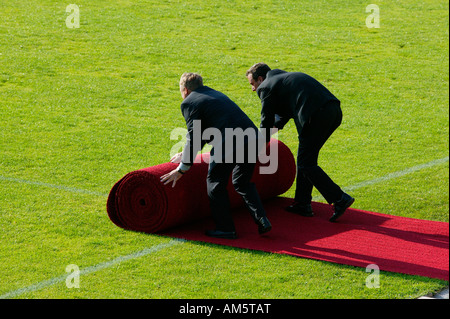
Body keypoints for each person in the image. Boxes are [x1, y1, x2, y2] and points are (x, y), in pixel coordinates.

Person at [161, 72, 271, 238]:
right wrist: (185, 154)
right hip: (253, 138)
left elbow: (194, 135)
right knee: (242, 182)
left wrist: (182, 169)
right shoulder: (215, 94)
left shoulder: (189, 102)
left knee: (215, 183)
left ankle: (226, 228)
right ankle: (262, 220)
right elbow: (208, 130)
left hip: (230, 143)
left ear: (185, 91)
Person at [246, 63, 354, 222]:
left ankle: (339, 198)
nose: (253, 89)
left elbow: (266, 120)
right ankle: (302, 203)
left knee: (305, 163)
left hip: (315, 116)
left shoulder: (265, 87)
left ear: (260, 79)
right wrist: (276, 127)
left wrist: (260, 145)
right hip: (333, 112)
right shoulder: (283, 79)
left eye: (252, 84)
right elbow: (286, 110)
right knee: (307, 159)